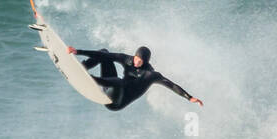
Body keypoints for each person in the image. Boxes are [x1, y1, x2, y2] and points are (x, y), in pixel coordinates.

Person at [67, 45, 203, 111]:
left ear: (146, 61)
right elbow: (106, 57)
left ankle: (89, 79)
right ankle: (82, 68)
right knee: (104, 53)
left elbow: (170, 84)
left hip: (118, 102)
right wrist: (78, 51)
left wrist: (189, 97)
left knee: (120, 83)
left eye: (140, 60)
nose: (136, 62)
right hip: (110, 89)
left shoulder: (150, 75)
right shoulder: (128, 60)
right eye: (136, 58)